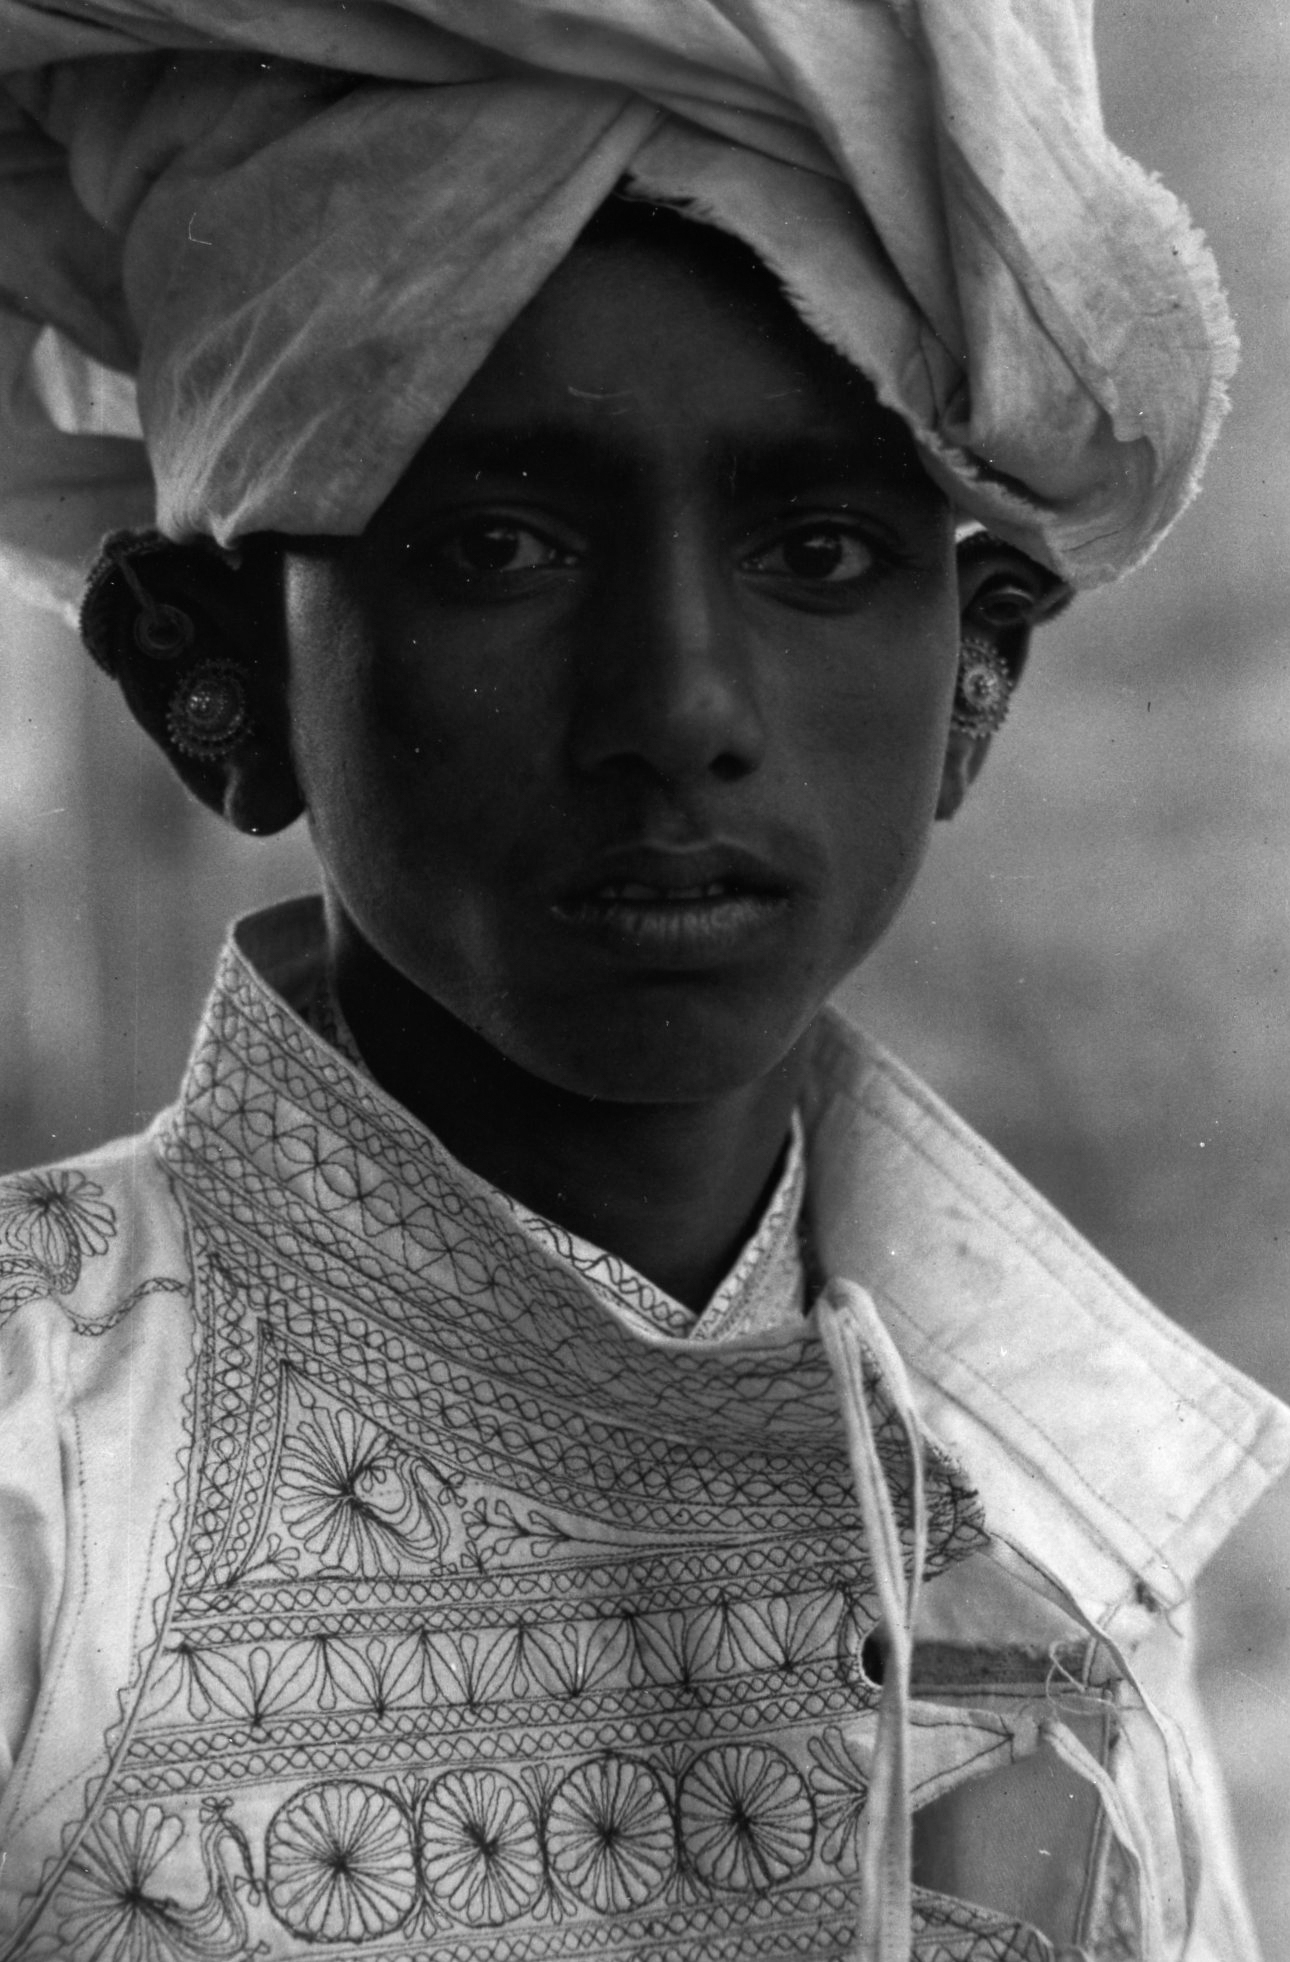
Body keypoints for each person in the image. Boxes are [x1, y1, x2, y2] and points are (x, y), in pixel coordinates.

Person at [0, 4, 1286, 1959]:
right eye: (503, 547)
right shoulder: (39, 1469)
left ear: (978, 673)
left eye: (823, 551)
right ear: (213, 678)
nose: (679, 706)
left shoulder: (1060, 1535)